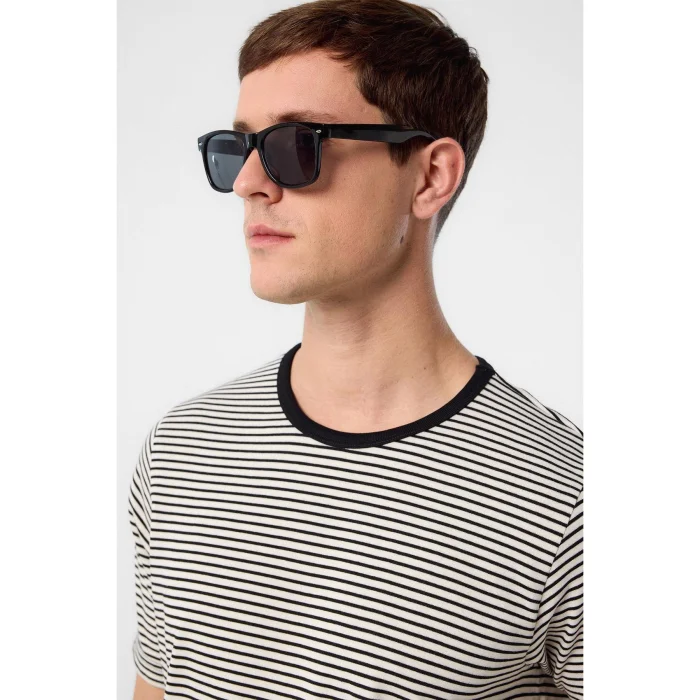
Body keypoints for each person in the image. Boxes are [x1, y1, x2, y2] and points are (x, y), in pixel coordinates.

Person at [128, 1, 583, 698]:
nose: (249, 183)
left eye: (296, 144)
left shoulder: (568, 500)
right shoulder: (182, 452)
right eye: (240, 147)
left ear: (429, 177)